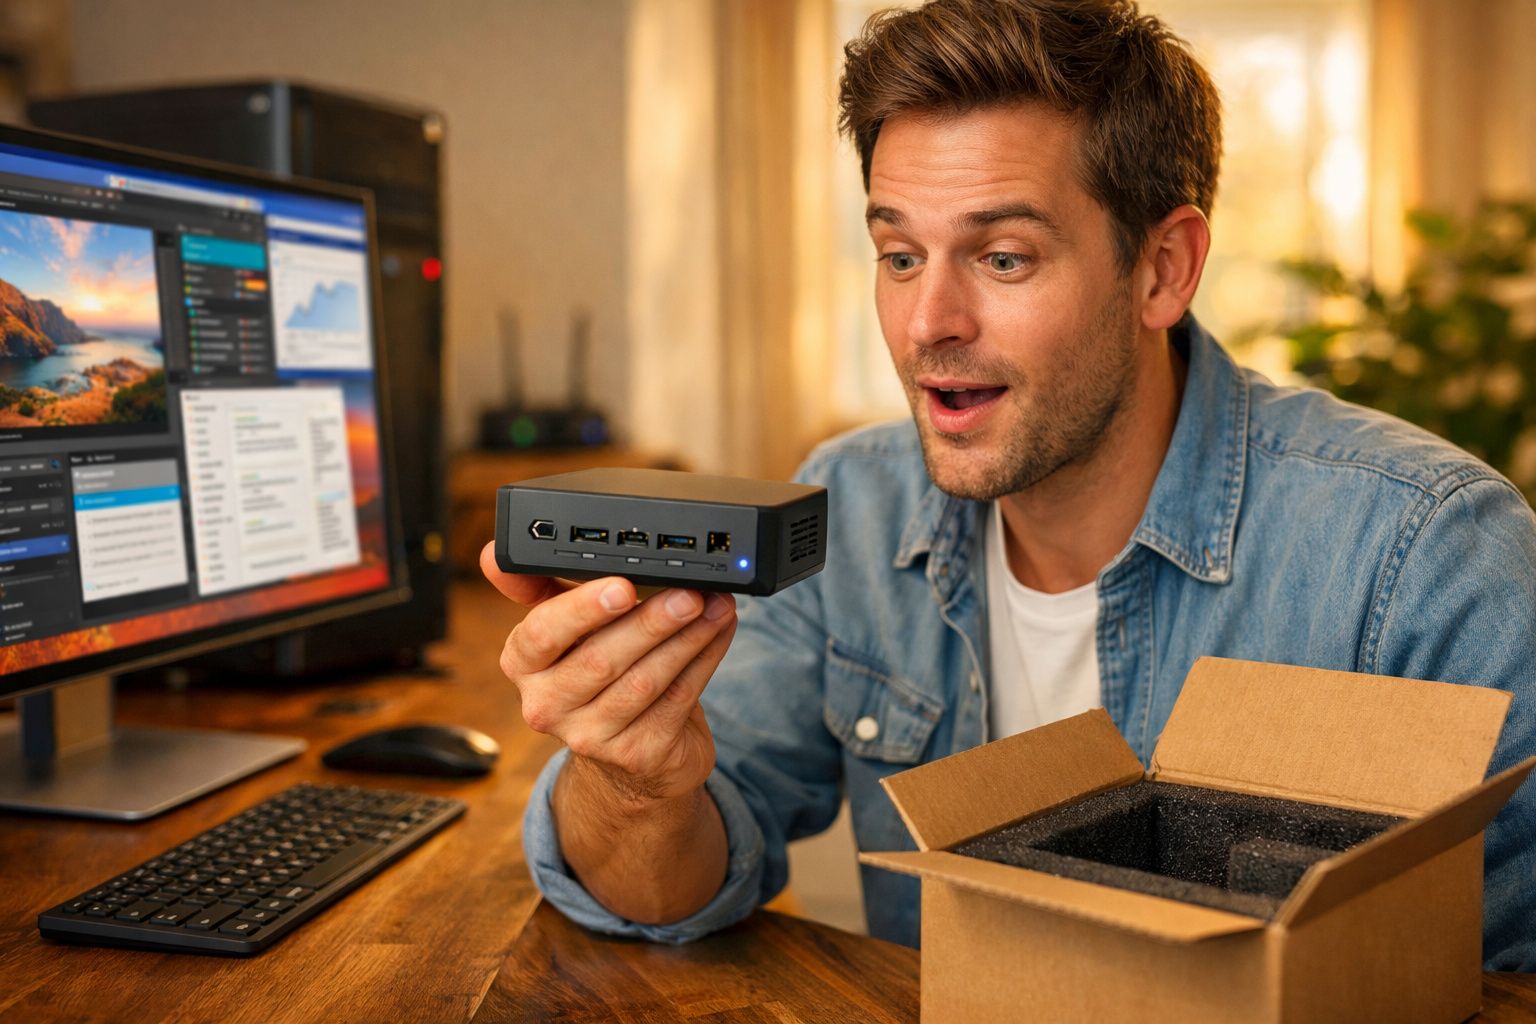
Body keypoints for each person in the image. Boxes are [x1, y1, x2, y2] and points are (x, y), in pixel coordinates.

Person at [481, 0, 1536, 968]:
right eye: (899, 255)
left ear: (1163, 268)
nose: (928, 322)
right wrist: (634, 782)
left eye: (1003, 258)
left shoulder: (1428, 559)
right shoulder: (848, 511)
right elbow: (675, 886)